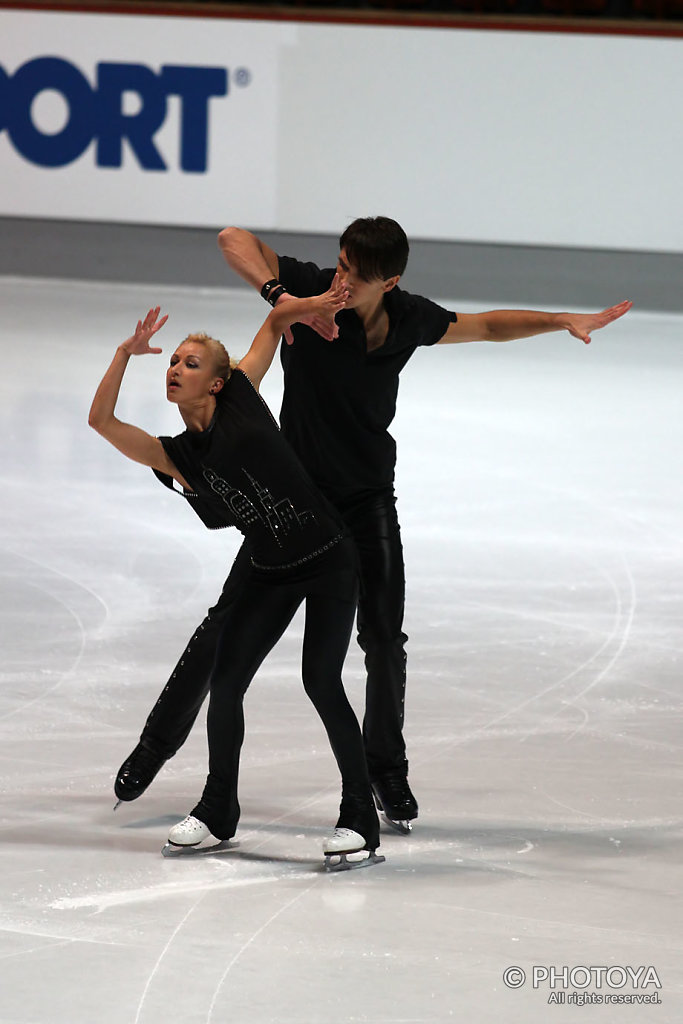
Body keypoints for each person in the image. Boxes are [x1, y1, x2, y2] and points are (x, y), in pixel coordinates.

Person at [114, 216, 632, 833]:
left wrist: (560, 320)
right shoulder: (313, 290)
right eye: (339, 266)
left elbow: (488, 325)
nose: (341, 282)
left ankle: (386, 770)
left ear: (390, 282)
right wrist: (289, 300)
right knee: (225, 627)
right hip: (293, 504)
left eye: (356, 278)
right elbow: (233, 239)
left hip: (364, 501)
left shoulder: (409, 318)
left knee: (384, 637)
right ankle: (155, 746)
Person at [88, 283, 385, 869]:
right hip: (268, 570)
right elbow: (101, 420)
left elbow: (275, 322)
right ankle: (218, 808)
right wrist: (126, 354)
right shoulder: (176, 455)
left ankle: (359, 817)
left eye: (189, 363)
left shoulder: (242, 396)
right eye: (173, 361)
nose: (175, 369)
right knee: (225, 685)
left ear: (217, 381)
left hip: (327, 558)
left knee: (321, 682)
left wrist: (311, 306)